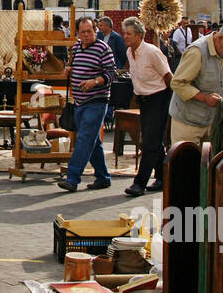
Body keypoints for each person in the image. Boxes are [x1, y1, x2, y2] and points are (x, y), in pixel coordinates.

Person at [58, 16, 118, 193]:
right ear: (78, 33)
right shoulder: (76, 47)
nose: (86, 35)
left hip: (96, 100)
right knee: (93, 140)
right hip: (79, 101)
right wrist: (68, 70)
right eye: (83, 32)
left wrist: (95, 81)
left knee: (84, 138)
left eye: (89, 31)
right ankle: (103, 177)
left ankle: (72, 177)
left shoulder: (103, 49)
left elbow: (112, 74)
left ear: (95, 31)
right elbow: (75, 66)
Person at [169, 22, 223, 145]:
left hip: (209, 121)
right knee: (185, 162)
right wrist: (204, 98)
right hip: (187, 122)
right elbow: (177, 83)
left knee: (210, 162)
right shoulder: (197, 51)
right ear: (220, 37)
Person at [121, 16, 172, 196]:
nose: (125, 37)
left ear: (139, 35)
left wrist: (170, 101)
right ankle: (163, 176)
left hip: (159, 97)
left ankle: (140, 183)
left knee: (150, 141)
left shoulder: (152, 52)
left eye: (129, 34)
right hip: (144, 99)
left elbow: (168, 77)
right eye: (124, 33)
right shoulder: (129, 52)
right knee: (151, 140)